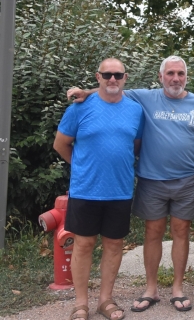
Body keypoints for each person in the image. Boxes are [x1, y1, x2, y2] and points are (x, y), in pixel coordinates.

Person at [67, 55, 194, 313]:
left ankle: (177, 288)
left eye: (180, 73)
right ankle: (151, 289)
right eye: (170, 73)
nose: (175, 78)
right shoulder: (145, 97)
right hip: (151, 180)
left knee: (181, 232)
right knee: (152, 233)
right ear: (160, 77)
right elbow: (112, 86)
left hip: (187, 181)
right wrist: (86, 91)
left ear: (186, 77)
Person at [55, 58, 144, 320]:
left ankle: (105, 300)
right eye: (107, 75)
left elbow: (135, 146)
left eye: (118, 75)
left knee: (114, 245)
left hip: (120, 190)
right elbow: (61, 145)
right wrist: (82, 165)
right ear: (98, 77)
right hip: (85, 190)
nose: (112, 80)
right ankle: (80, 303)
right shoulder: (79, 108)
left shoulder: (135, 110)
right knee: (83, 245)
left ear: (125, 78)